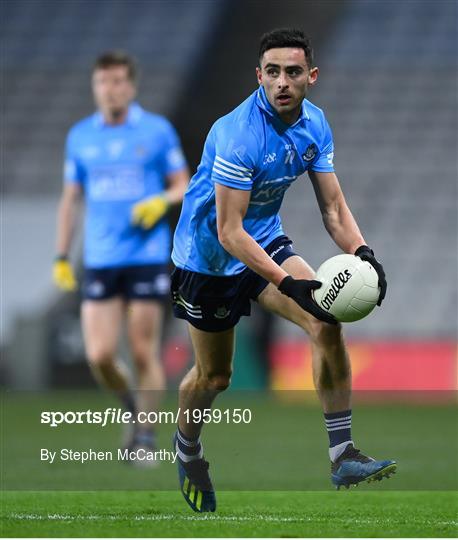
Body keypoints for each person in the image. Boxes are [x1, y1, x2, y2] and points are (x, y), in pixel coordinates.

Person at [170, 28, 395, 512]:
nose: (282, 81)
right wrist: (288, 281)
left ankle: (342, 455)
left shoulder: (315, 125)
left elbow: (332, 208)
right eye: (272, 72)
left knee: (325, 319)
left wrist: (364, 253)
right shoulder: (237, 134)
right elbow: (229, 232)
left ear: (311, 77)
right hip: (208, 257)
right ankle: (186, 446)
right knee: (215, 377)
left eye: (293, 72)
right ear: (259, 77)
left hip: (265, 237)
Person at [53, 51, 189, 462]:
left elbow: (183, 183)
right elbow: (71, 199)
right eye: (102, 82)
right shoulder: (80, 137)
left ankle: (144, 437)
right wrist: (61, 255)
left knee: (143, 350)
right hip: (100, 257)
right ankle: (135, 410)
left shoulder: (157, 131)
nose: (110, 90)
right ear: (95, 87)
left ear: (131, 86)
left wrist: (159, 202)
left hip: (145, 255)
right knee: (100, 356)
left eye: (117, 82)